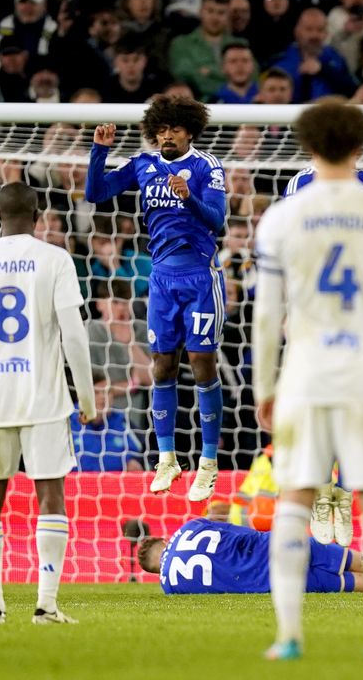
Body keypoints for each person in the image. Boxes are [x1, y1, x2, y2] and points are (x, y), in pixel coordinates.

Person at [252, 99, 363, 661]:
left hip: (305, 374)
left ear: (306, 147)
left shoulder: (282, 217)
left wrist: (264, 388)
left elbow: (265, 313)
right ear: (360, 147)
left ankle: (288, 636)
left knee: (294, 500)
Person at [0, 182, 97, 625]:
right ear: (39, 216)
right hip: (46, 400)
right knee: (50, 495)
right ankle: (46, 606)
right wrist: (85, 398)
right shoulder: (56, 260)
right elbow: (74, 336)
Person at [86, 96, 227, 501]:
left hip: (200, 275)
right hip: (162, 278)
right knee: (163, 366)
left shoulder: (206, 166)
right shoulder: (144, 165)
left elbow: (217, 220)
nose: (167, 136)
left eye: (175, 129)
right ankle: (167, 458)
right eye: (161, 130)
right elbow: (97, 194)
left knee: (201, 362)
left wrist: (188, 198)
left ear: (190, 131)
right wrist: (100, 151)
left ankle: (209, 463)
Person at [138, 517, 363, 594]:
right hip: (280, 547)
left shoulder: (171, 586)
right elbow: (239, 532)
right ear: (162, 538)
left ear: (157, 571)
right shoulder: (189, 527)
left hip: (277, 582)